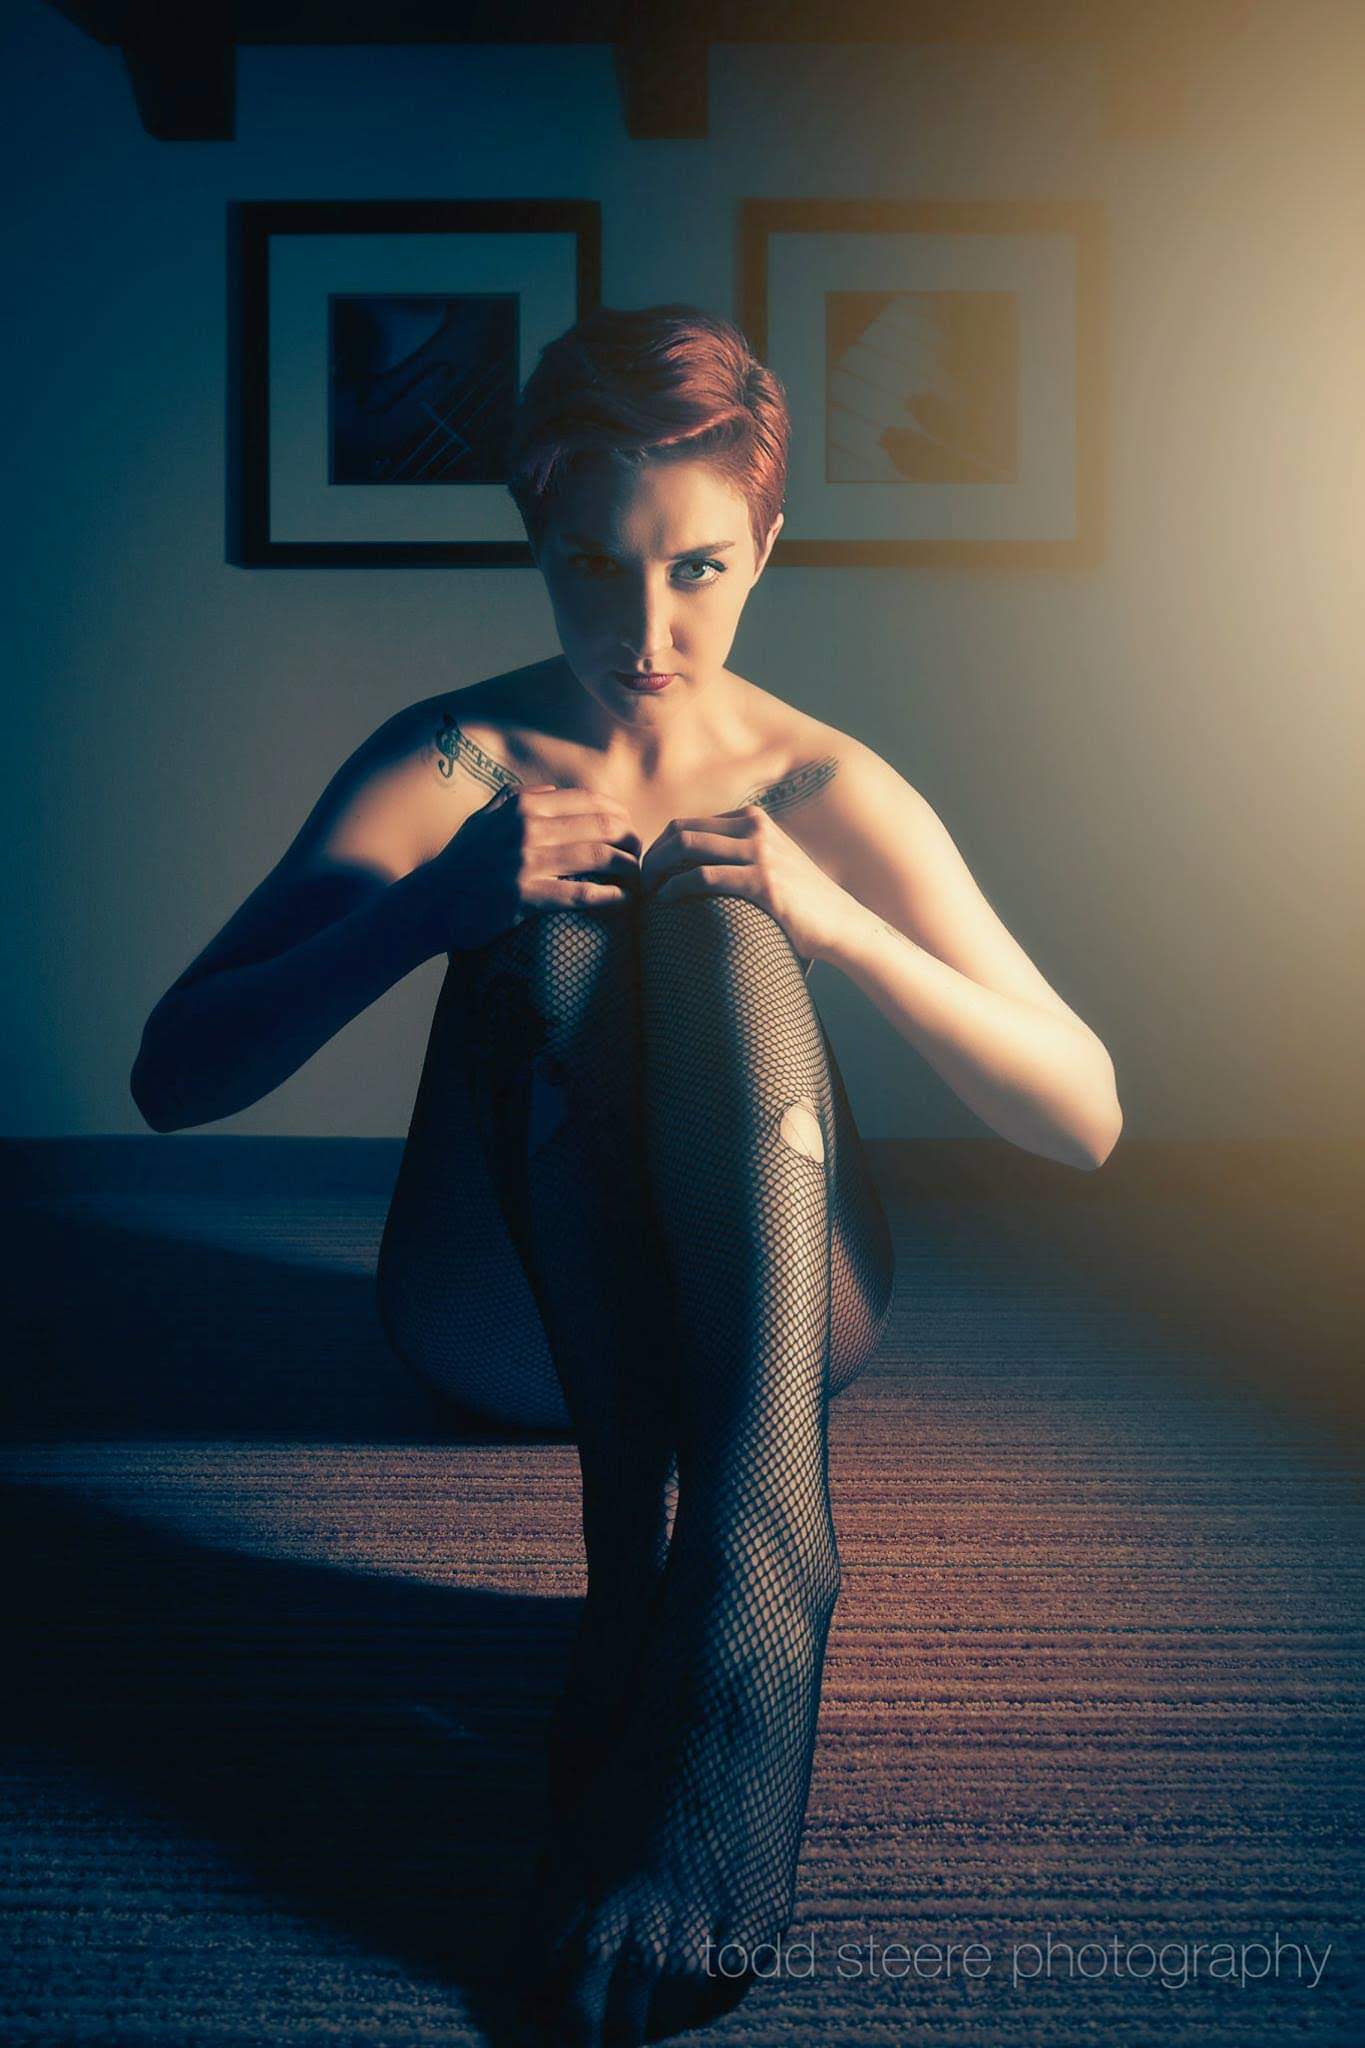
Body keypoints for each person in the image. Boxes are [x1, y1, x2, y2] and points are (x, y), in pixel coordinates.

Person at [130, 303, 1122, 2047]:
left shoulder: (820, 777)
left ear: (766, 550)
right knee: (546, 926)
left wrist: (836, 927)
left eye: (698, 570)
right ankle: (625, 1559)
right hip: (507, 1329)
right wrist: (428, 911)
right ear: (535, 535)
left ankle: (753, 1568)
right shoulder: (453, 758)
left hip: (778, 1333)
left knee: (734, 929)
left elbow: (1084, 1116)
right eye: (592, 565)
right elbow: (175, 1078)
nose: (646, 632)